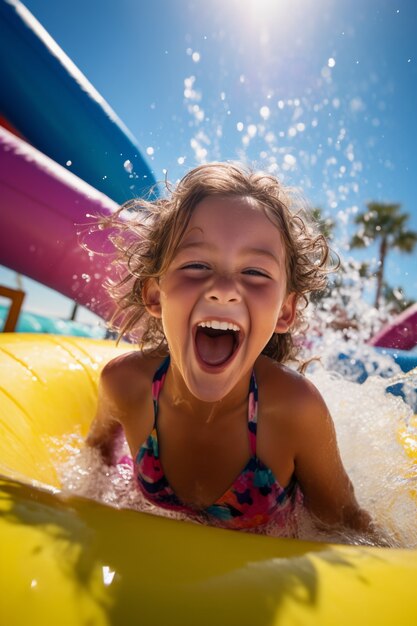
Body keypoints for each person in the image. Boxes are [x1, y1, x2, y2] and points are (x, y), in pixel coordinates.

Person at [86, 161, 375, 538]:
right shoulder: (124, 384)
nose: (223, 288)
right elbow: (91, 468)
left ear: (285, 310)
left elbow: (348, 529)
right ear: (155, 295)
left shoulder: (295, 411)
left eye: (255, 272)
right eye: (196, 264)